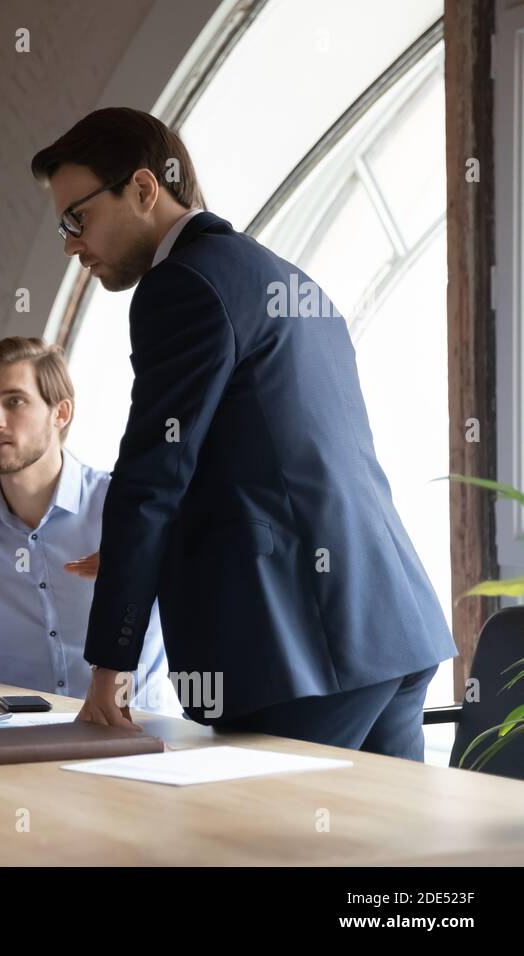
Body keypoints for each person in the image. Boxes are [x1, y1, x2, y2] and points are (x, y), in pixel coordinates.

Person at [30, 107, 454, 758]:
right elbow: (270, 460)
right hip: (388, 626)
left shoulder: (182, 286)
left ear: (144, 189)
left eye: (76, 218)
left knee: (258, 850)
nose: (70, 244)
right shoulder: (284, 277)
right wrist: (146, 554)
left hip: (296, 651)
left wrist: (110, 668)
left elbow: (153, 476)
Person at [0, 336, 178, 715]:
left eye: (14, 401)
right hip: (27, 740)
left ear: (61, 413)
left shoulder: (129, 508)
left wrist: (146, 563)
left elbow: (210, 577)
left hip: (144, 732)